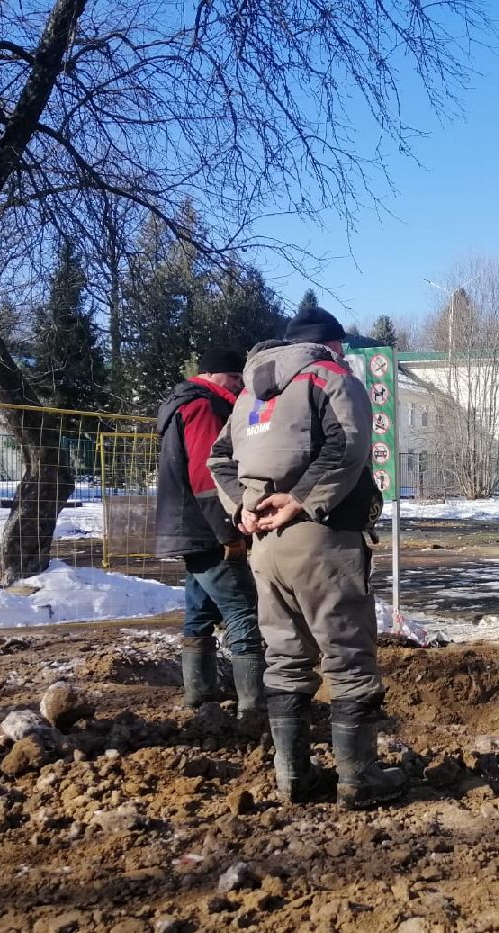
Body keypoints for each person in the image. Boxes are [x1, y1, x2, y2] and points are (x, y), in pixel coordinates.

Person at [208, 307, 406, 809]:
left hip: (264, 545)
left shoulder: (248, 391)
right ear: (332, 344)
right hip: (323, 537)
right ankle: (358, 778)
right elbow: (348, 446)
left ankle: (292, 776)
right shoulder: (330, 376)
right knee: (347, 654)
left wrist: (243, 509)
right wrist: (301, 499)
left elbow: (219, 459)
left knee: (285, 655)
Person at [154, 345, 265, 734]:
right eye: (234, 379)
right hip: (206, 530)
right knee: (244, 610)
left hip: (188, 528)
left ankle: (200, 696)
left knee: (199, 612)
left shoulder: (178, 404)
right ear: (215, 375)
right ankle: (254, 707)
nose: (238, 388)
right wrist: (230, 533)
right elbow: (207, 478)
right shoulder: (202, 407)